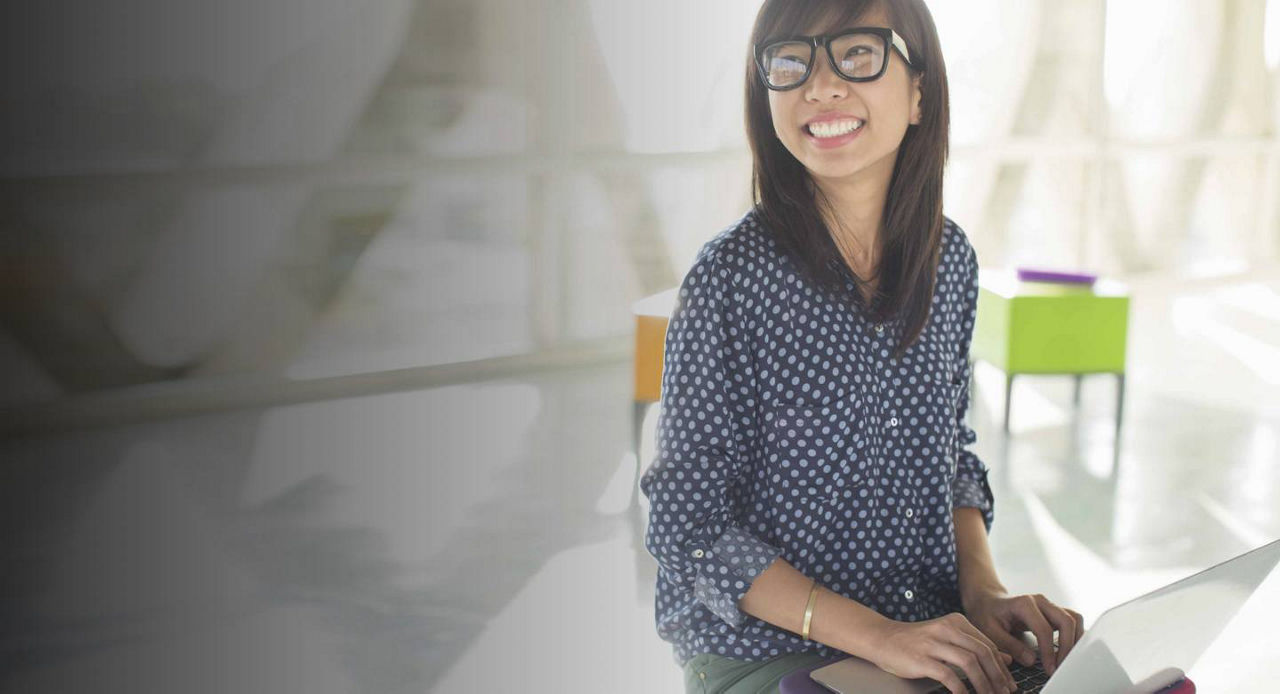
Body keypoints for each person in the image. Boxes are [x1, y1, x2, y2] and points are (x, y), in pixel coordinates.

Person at [639, 1, 1085, 693]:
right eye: (792, 61)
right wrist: (880, 638)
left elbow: (951, 454)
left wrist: (984, 594)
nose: (820, 86)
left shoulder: (950, 259)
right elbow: (688, 524)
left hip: (932, 637)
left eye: (858, 53)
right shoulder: (730, 279)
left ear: (918, 92)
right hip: (769, 652)